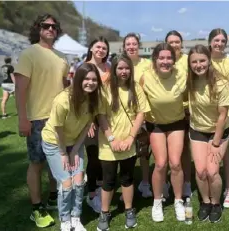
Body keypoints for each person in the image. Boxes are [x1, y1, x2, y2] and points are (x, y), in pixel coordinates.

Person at [14, 14, 69, 228]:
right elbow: (20, 90)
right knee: (37, 164)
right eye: (46, 26)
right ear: (38, 28)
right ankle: (37, 208)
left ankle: (54, 196)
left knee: (56, 162)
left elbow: (65, 89)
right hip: (36, 119)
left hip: (58, 119)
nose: (51, 29)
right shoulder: (29, 54)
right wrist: (22, 119)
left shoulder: (63, 57)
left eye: (54, 27)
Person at [41, 62, 102, 231]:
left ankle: (76, 217)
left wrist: (75, 150)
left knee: (79, 181)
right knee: (66, 183)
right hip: (55, 143)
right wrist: (63, 153)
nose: (90, 83)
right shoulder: (63, 100)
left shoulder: (94, 99)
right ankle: (65, 220)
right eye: (87, 79)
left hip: (74, 143)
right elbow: (57, 128)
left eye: (94, 79)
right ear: (78, 79)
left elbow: (87, 126)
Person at [96, 54, 150, 231]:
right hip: (108, 143)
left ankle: (129, 209)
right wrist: (112, 139)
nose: (124, 71)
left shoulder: (135, 88)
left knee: (127, 178)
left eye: (127, 68)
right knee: (108, 180)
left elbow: (141, 113)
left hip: (128, 143)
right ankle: (104, 213)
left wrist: (130, 138)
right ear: (114, 70)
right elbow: (101, 115)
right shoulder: (105, 88)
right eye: (120, 68)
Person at [140, 43, 187, 222]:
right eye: (161, 58)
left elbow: (192, 96)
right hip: (156, 125)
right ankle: (157, 201)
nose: (165, 61)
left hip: (176, 123)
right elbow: (137, 100)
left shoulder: (181, 75)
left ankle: (178, 200)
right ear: (155, 60)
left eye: (169, 58)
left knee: (175, 164)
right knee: (160, 164)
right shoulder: (146, 77)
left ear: (173, 60)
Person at [187, 45, 229, 223]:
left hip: (218, 132)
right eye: (194, 62)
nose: (198, 65)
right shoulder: (189, 81)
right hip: (198, 130)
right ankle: (205, 202)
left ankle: (216, 203)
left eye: (202, 60)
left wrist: (215, 143)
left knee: (213, 172)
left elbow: (223, 115)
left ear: (209, 61)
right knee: (200, 171)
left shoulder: (220, 83)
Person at [208, 28, 229, 208]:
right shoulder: (204, 58)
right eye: (216, 40)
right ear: (210, 41)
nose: (219, 44)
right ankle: (212, 183)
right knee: (209, 151)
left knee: (224, 152)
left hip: (227, 112)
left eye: (222, 41)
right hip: (205, 113)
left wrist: (223, 102)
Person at [122, 33, 153, 198]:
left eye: (134, 44)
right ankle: (127, 184)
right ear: (124, 46)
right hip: (124, 115)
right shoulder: (121, 64)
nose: (131, 47)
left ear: (138, 46)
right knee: (127, 152)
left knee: (143, 151)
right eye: (128, 44)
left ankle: (146, 183)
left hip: (144, 113)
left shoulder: (148, 64)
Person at [84, 37, 111, 214]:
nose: (101, 50)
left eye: (104, 48)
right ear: (92, 49)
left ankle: (102, 190)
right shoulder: (84, 67)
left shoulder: (109, 68)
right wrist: (88, 122)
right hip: (90, 118)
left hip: (107, 117)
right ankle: (92, 194)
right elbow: (80, 95)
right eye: (98, 47)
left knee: (105, 157)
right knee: (93, 157)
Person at [165, 30, 192, 199]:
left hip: (187, 111)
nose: (174, 45)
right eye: (171, 42)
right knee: (169, 152)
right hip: (168, 112)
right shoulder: (164, 59)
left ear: (181, 43)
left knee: (185, 150)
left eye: (177, 41)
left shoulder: (187, 59)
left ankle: (187, 182)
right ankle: (169, 182)